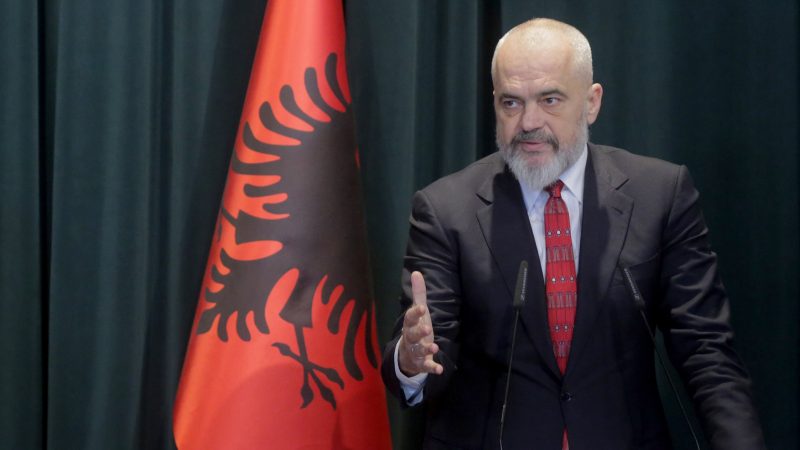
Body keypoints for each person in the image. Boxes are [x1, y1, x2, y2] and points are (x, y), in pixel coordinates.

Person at [381, 18, 766, 450]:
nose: (529, 122)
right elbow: (427, 352)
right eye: (511, 103)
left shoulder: (660, 194)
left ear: (591, 102)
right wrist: (411, 360)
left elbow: (707, 351)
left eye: (549, 100)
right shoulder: (444, 209)